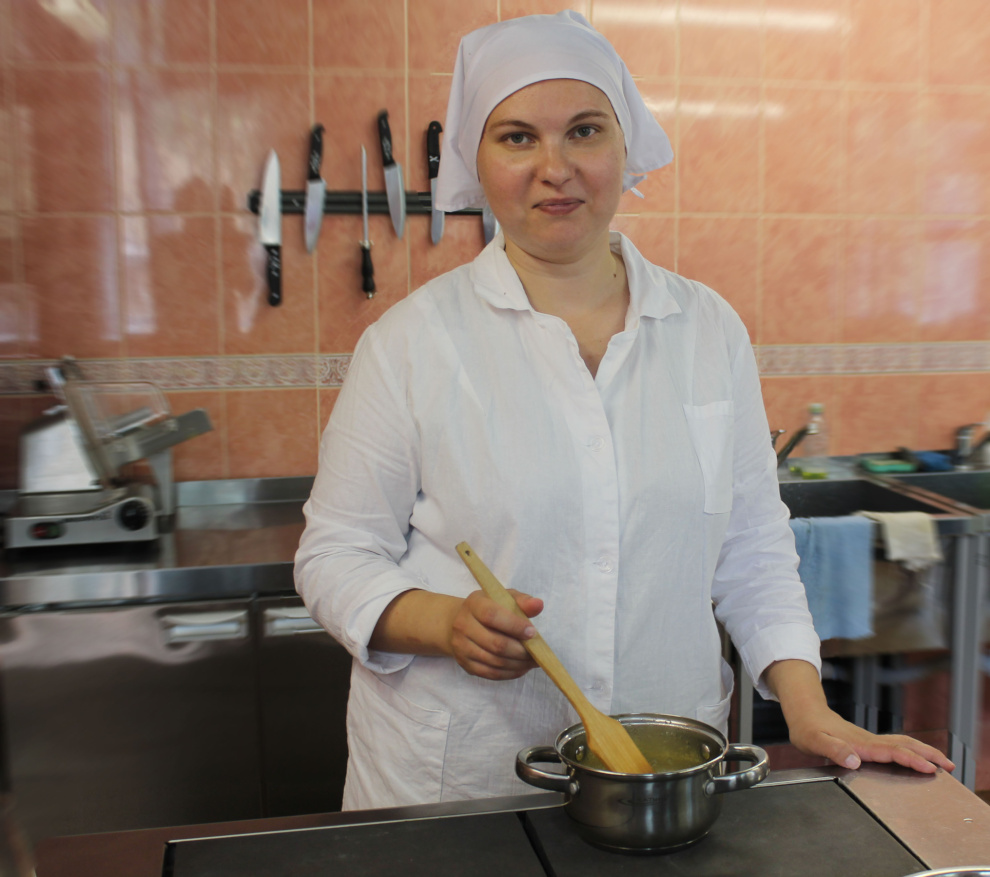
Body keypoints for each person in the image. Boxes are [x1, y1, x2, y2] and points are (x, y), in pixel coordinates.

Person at [295, 11, 953, 811]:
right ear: (477, 157)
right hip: (459, 785)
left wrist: (809, 712)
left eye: (584, 130)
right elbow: (335, 553)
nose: (556, 169)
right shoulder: (410, 344)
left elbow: (751, 548)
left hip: (661, 775)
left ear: (625, 142)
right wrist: (443, 622)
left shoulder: (707, 329)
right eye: (517, 137)